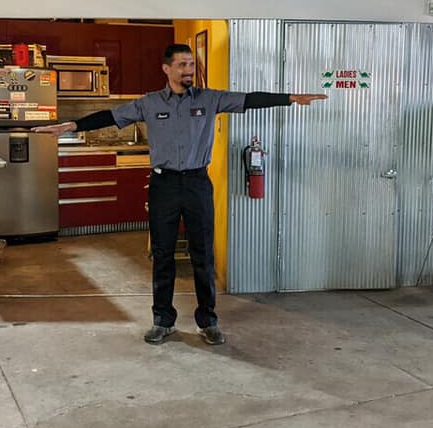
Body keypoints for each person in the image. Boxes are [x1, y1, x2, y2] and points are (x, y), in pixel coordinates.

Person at [36, 43, 326, 346]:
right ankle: (163, 320)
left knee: (203, 254)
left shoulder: (209, 99)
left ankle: (208, 321)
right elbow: (111, 115)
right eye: (182, 65)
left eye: (191, 64)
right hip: (164, 185)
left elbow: (249, 99)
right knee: (163, 254)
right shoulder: (149, 103)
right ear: (167, 69)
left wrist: (290, 98)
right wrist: (72, 125)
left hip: (197, 183)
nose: (189, 70)